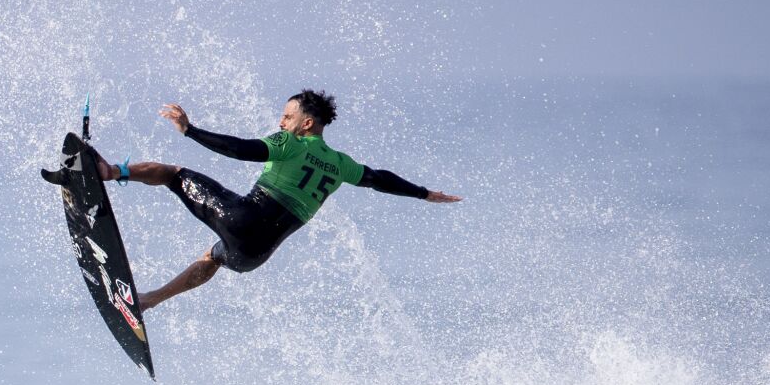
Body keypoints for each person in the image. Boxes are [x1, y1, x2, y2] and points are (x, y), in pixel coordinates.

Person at [49, 90, 461, 312]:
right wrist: (424, 193)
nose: (281, 121)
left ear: (307, 123)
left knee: (173, 173)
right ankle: (149, 301)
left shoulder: (291, 142)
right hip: (257, 253)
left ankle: (108, 172)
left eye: (287, 116)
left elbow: (240, 149)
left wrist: (190, 130)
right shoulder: (340, 165)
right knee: (212, 259)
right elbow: (379, 179)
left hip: (243, 218)